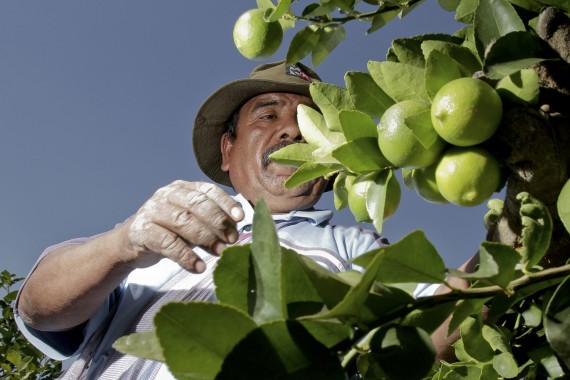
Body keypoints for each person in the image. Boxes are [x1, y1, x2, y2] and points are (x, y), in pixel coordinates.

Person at [13, 61, 391, 379]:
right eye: (268, 114)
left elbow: (433, 322)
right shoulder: (158, 226)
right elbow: (39, 309)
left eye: (311, 123)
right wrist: (124, 244)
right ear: (228, 148)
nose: (292, 130)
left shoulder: (357, 247)